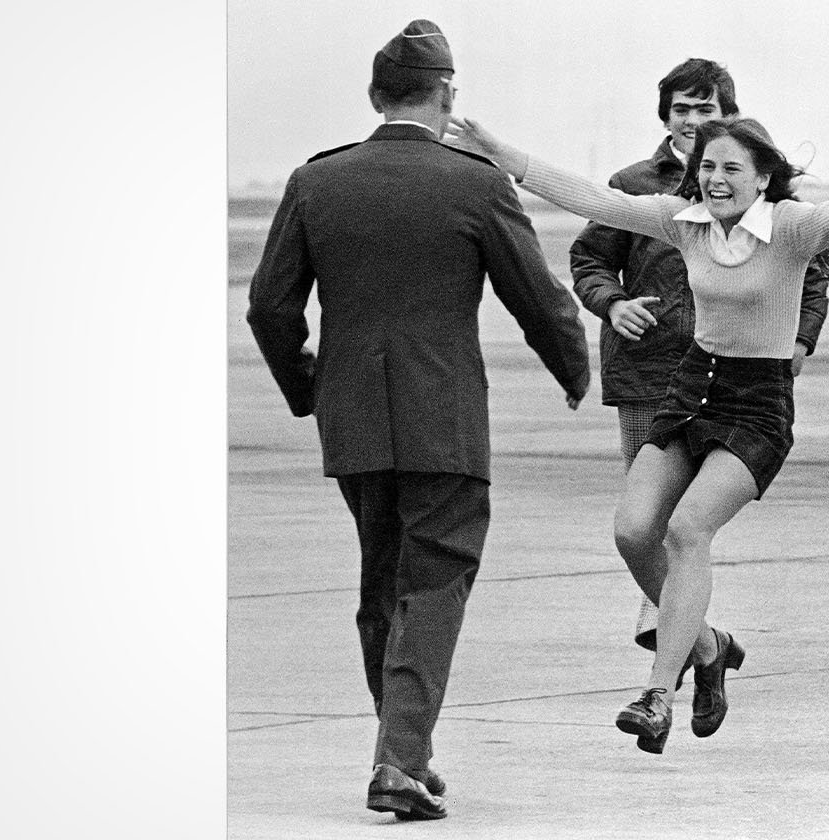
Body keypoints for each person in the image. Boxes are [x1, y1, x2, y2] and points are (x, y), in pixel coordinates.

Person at [447, 113, 829, 753]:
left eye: (732, 168)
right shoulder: (683, 224)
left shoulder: (790, 230)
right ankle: (708, 647)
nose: (715, 179)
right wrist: (500, 152)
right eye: (707, 166)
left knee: (687, 530)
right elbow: (589, 197)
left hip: (758, 404)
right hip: (691, 389)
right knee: (631, 530)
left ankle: (658, 697)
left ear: (763, 177)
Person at [246, 20, 589, 820]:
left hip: (354, 420)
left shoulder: (314, 181)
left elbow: (268, 306)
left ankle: (403, 751)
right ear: (447, 95)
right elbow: (535, 296)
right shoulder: (474, 182)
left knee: (383, 586)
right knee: (435, 582)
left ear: (375, 96)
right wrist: (574, 368)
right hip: (445, 423)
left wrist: (309, 385)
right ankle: (399, 759)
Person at [567, 58, 829, 658]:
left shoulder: (753, 190)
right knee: (644, 520)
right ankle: (694, 641)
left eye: (705, 109)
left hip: (739, 380)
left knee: (685, 526)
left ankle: (676, 644)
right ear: (665, 117)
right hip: (650, 370)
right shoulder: (637, 184)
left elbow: (811, 280)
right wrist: (612, 304)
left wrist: (799, 341)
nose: (691, 120)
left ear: (727, 116)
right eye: (681, 109)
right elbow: (587, 260)